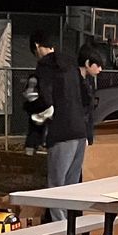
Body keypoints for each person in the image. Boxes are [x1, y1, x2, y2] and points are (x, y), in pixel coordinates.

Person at [29, 29, 90, 219]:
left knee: (56, 184)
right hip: (80, 131)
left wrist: (42, 121)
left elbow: (43, 97)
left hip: (61, 131)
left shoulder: (44, 67)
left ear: (37, 46)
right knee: (72, 184)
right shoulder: (71, 63)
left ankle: (60, 231)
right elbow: (86, 95)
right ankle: (73, 226)